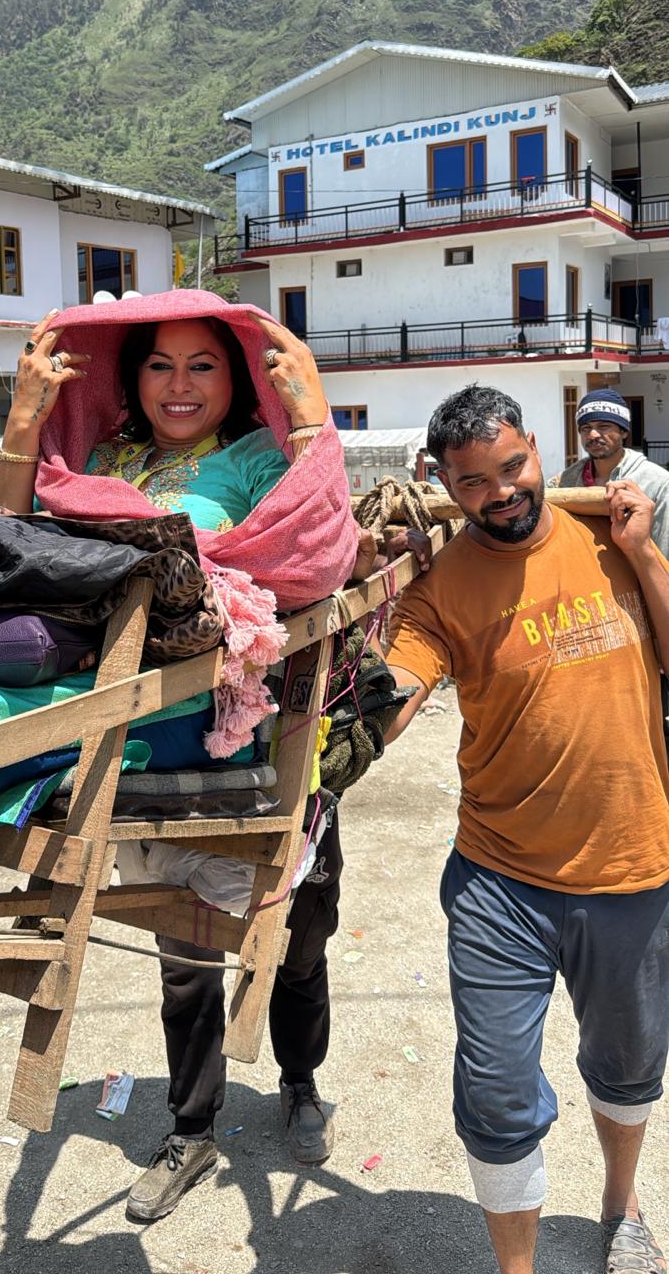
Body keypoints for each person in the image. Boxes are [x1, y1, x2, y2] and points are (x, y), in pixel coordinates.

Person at [0, 291, 379, 1219]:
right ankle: (192, 1132)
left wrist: (308, 416)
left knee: (297, 944)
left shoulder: (260, 459)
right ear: (132, 377)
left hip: (175, 698)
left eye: (203, 365)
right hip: (65, 669)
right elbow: (0, 547)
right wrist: (23, 420)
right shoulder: (102, 461)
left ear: (237, 378)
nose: (179, 384)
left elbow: (317, 556)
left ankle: (300, 1081)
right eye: (160, 364)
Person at [381, 384, 669, 1274]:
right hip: (499, 881)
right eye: (474, 482)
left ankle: (620, 1207)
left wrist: (644, 552)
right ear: (444, 483)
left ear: (539, 448)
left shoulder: (610, 538)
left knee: (628, 1067)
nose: (502, 492)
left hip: (633, 864)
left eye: (513, 467)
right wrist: (361, 632)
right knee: (498, 1096)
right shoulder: (439, 589)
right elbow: (391, 698)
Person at [556, 387, 669, 555]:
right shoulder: (567, 481)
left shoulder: (657, 483)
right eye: (586, 428)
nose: (593, 434)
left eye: (604, 426)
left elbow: (664, 554)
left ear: (623, 432)